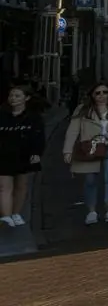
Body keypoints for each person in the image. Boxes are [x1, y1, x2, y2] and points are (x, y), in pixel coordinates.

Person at [60, 82, 108, 226]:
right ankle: (91, 211)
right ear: (92, 95)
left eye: (105, 92)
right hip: (91, 147)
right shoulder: (82, 110)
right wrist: (67, 150)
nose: (101, 96)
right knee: (90, 180)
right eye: (97, 93)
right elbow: (72, 131)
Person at [0, 83, 44, 229]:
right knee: (4, 187)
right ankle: (6, 216)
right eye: (11, 95)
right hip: (4, 156)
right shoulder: (2, 115)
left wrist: (36, 153)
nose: (13, 98)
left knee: (21, 185)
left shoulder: (33, 118)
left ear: (27, 98)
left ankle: (15, 213)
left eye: (17, 95)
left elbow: (38, 137)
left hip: (24, 155)